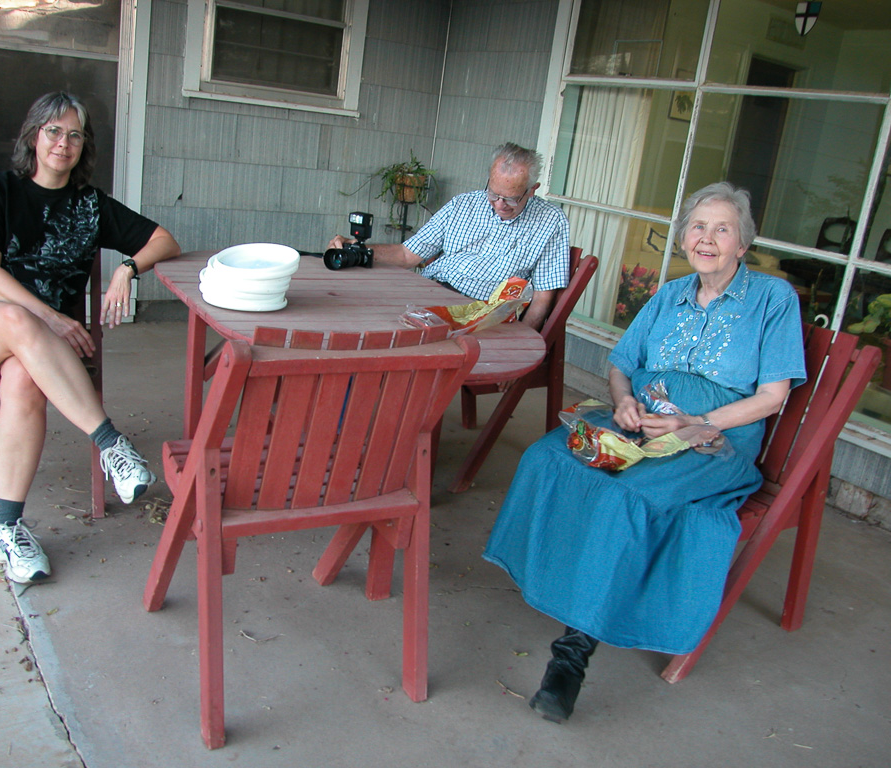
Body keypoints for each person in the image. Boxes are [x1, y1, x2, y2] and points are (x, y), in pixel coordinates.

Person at [483, 182, 807, 723]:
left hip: (713, 437)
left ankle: (571, 657)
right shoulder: (669, 294)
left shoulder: (771, 301)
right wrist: (625, 401)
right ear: (684, 237)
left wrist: (694, 423)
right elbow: (621, 363)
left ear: (742, 243)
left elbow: (772, 397)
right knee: (548, 458)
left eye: (722, 228)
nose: (707, 238)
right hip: (640, 419)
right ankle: (558, 581)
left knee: (625, 493)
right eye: (698, 227)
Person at [0, 92, 181, 585]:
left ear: (84, 146)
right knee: (21, 325)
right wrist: (54, 319)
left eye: (75, 134)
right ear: (34, 136)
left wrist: (126, 270)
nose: (63, 142)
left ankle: (6, 529)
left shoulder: (90, 206)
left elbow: (164, 241)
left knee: (24, 379)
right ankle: (111, 443)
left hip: (35, 349)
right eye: (53, 131)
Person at [327, 142, 570, 330]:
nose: (499, 204)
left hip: (476, 314)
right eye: (494, 194)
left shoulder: (550, 221)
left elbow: (542, 297)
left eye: (511, 198)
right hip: (427, 294)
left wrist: (520, 348)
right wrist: (356, 250)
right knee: (359, 312)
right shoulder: (463, 204)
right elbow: (406, 254)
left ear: (533, 189)